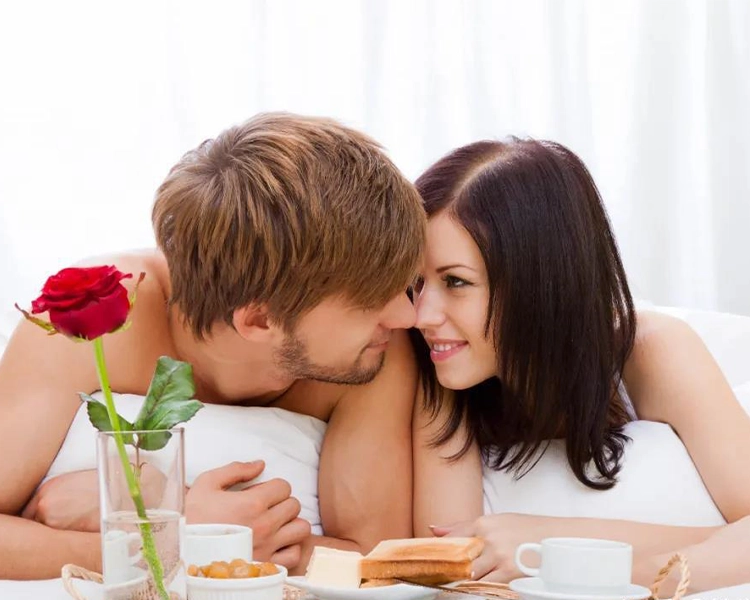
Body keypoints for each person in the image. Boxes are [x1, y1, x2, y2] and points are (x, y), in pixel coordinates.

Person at [0, 112, 424, 579]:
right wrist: (173, 540)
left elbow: (377, 560)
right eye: (370, 300)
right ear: (260, 320)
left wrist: (202, 533)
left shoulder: (375, 350)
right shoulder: (92, 321)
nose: (410, 315)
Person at [410, 138, 750, 585]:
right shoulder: (439, 376)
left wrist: (554, 544)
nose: (421, 315)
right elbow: (454, 573)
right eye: (416, 281)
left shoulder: (649, 349)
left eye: (455, 281)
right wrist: (710, 543)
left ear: (541, 283)